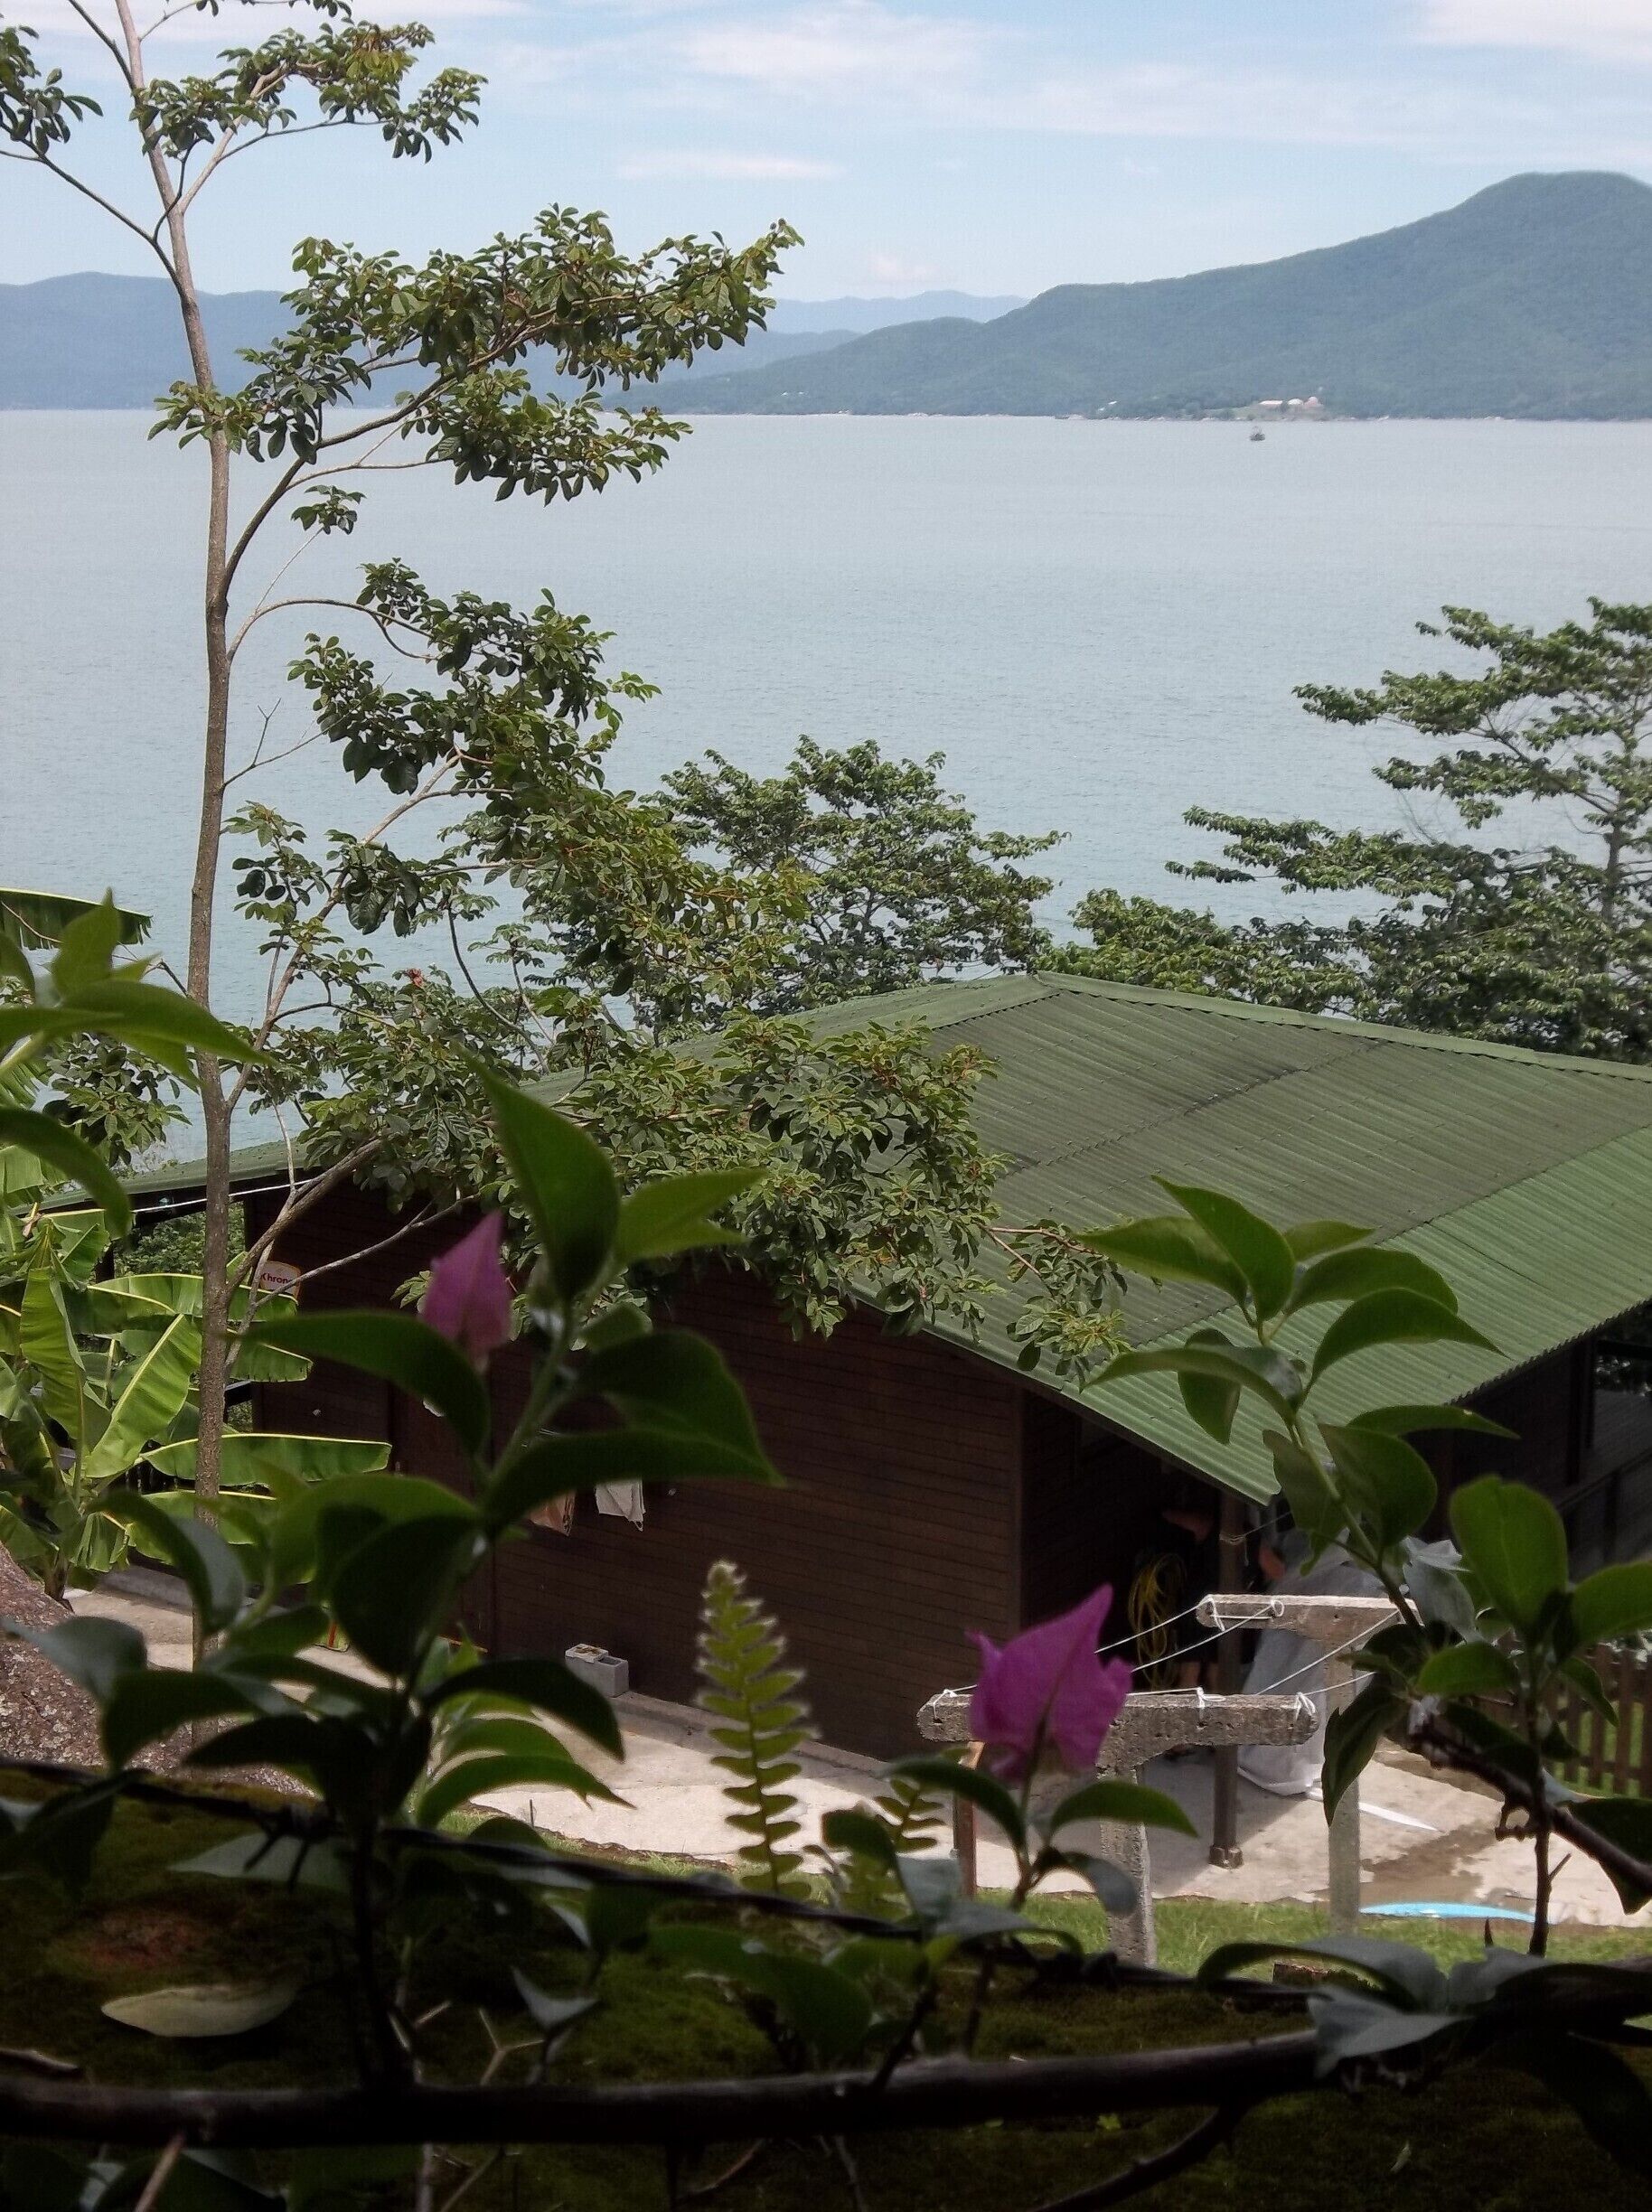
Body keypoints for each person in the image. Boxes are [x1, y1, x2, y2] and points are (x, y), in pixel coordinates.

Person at [1237, 1525, 1382, 1796]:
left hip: (1311, 1614)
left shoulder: (1349, 1579)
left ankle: (1282, 1750)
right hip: (1311, 1615)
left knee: (1307, 1685)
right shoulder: (1357, 1580)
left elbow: (1278, 1572)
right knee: (1311, 1687)